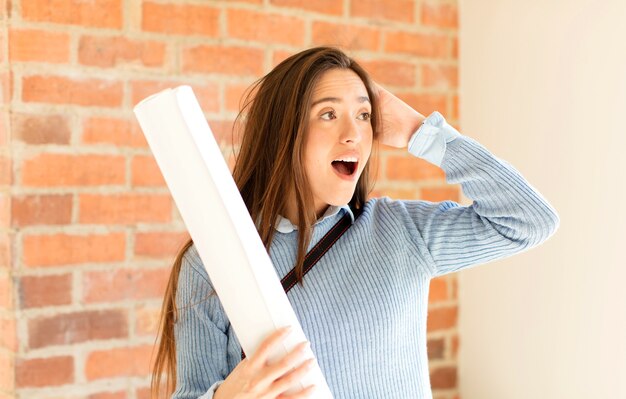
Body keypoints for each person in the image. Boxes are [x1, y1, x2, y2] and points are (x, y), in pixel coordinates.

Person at [150, 46, 560, 399]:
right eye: (328, 114)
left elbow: (529, 221)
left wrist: (423, 133)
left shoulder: (401, 231)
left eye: (364, 115)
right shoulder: (212, 261)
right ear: (284, 132)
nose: (354, 135)